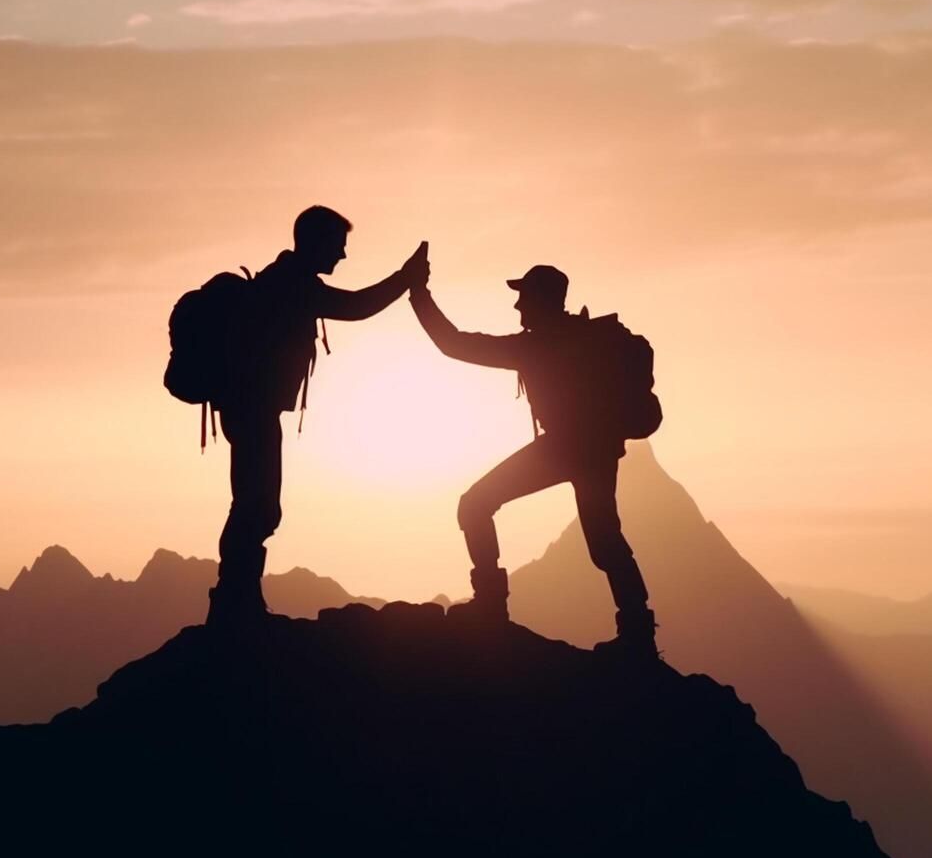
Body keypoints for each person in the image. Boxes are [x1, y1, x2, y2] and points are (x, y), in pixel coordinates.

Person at [408, 254, 657, 657]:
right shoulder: (583, 337)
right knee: (606, 538)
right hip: (596, 448)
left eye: (523, 297)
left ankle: (490, 606)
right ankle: (638, 632)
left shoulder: (535, 346)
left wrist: (418, 294)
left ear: (541, 301)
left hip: (564, 448)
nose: (517, 306)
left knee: (474, 505)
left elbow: (454, 344)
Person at [209, 206, 428, 622]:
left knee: (254, 504)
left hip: (249, 408)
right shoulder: (292, 286)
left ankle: (237, 599)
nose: (342, 256)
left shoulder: (286, 281)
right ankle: (234, 602)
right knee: (257, 506)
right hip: (253, 409)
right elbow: (358, 306)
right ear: (316, 242)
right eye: (339, 246)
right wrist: (406, 278)